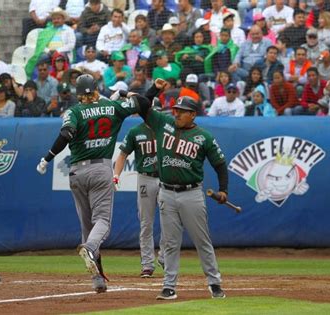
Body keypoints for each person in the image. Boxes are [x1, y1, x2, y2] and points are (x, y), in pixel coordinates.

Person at [35, 74, 146, 293]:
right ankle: (90, 248)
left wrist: (47, 157)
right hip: (100, 168)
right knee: (102, 222)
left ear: (78, 93)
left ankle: (98, 278)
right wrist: (125, 94)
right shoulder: (112, 106)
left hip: (77, 172)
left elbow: (66, 134)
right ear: (96, 88)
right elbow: (143, 103)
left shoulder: (74, 111)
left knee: (88, 227)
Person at [139, 80, 228, 300]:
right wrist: (154, 90)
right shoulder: (164, 124)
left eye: (182, 112)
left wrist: (223, 189)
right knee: (169, 242)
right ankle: (169, 286)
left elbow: (219, 164)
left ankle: (214, 283)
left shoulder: (203, 137)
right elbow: (142, 106)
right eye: (176, 110)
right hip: (166, 192)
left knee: (202, 240)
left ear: (193, 115)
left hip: (192, 194)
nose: (177, 114)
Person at [113, 123, 164, 278]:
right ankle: (147, 264)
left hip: (165, 178)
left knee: (171, 221)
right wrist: (116, 175)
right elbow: (123, 155)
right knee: (145, 223)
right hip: (145, 178)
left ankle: (164, 257)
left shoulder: (167, 128)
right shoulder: (135, 131)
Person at [25, 7, 76, 78]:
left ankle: (63, 78)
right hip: (48, 53)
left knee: (60, 57)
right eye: (54, 19)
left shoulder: (69, 30)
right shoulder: (47, 30)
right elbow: (41, 46)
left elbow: (71, 45)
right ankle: (38, 79)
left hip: (62, 52)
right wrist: (49, 51)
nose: (56, 20)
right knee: (42, 58)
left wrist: (57, 51)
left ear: (63, 19)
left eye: (58, 18)